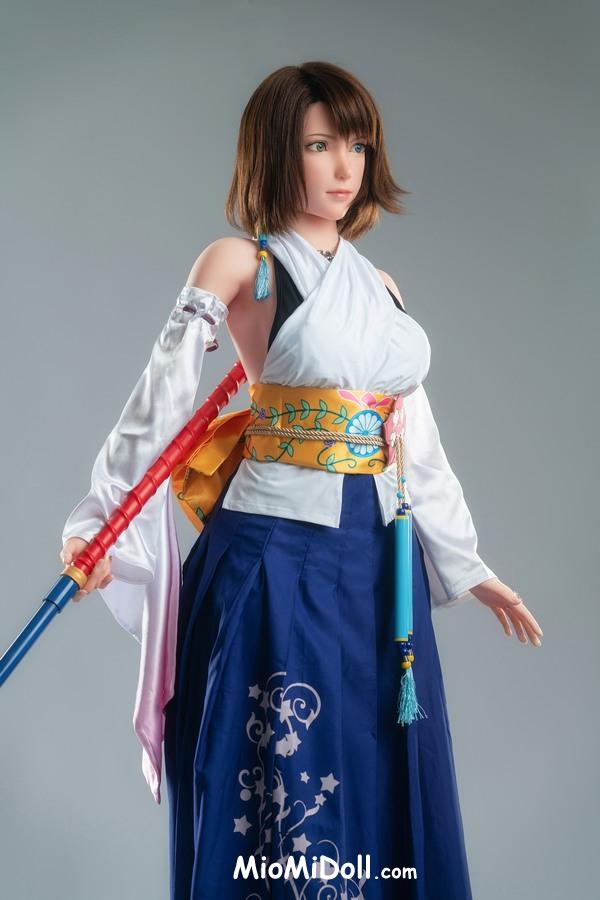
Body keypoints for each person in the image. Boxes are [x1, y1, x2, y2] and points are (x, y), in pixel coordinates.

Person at [60, 61, 543, 899]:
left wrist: (467, 563)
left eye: (357, 145)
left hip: (377, 560)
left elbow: (412, 436)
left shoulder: (379, 286)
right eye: (320, 145)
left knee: (378, 767)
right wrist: (98, 524)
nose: (344, 166)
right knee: (283, 781)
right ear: (278, 150)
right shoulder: (241, 264)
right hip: (274, 555)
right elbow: (158, 402)